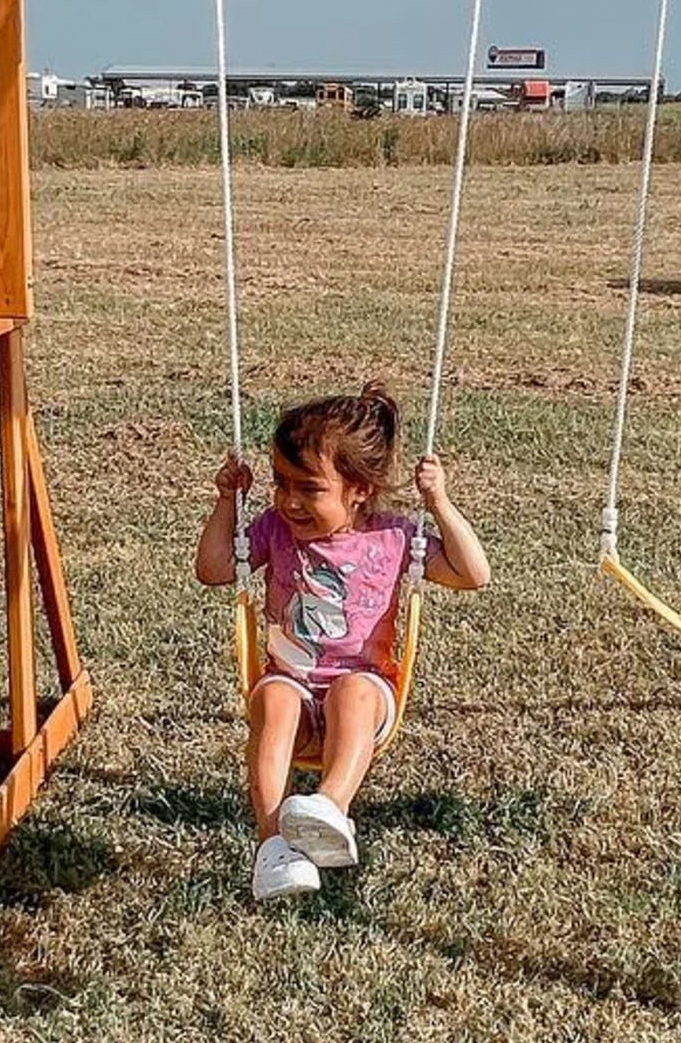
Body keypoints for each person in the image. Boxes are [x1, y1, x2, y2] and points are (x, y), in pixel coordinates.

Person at [196, 386, 491, 903]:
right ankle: (273, 849)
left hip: (363, 697)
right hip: (294, 690)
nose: (289, 501)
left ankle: (330, 808)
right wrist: (227, 501)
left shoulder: (396, 537)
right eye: (281, 484)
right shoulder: (274, 530)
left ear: (357, 488)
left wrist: (438, 502)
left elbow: (474, 575)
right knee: (272, 697)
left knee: (351, 689)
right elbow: (214, 569)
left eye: (308, 489)